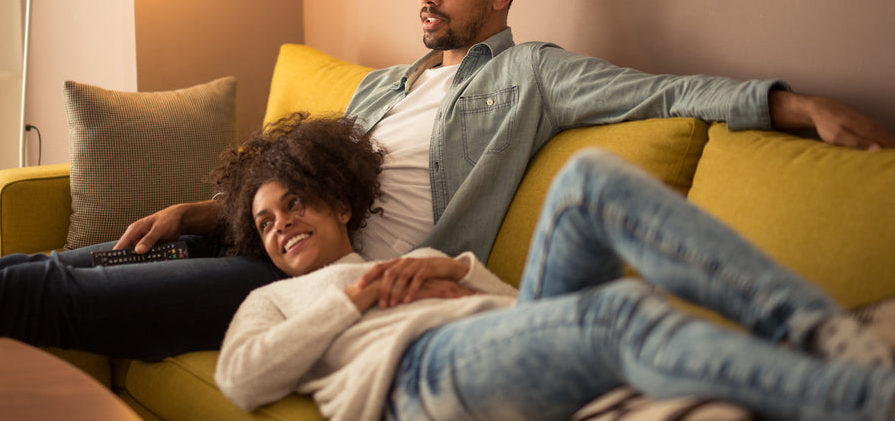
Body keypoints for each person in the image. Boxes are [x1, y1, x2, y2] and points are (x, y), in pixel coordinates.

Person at [0, 0, 892, 362]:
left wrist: (795, 105)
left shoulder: (532, 74)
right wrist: (202, 209)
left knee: (32, 294)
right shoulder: (382, 86)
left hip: (322, 279)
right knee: (47, 263)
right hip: (264, 239)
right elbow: (294, 175)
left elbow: (669, 88)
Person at [213, 113, 895, 421]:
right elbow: (241, 380)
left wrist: (454, 276)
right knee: (617, 314)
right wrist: (355, 301)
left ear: (337, 203)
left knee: (592, 176)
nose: (282, 228)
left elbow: (526, 315)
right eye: (266, 224)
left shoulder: (412, 259)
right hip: (416, 380)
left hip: (499, 343)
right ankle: (863, 403)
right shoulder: (273, 302)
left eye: (293, 205)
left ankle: (819, 333)